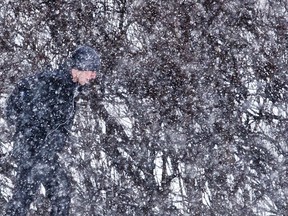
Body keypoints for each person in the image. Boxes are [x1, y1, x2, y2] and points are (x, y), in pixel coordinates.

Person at [5, 45, 100, 216]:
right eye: (91, 70)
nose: (94, 75)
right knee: (25, 198)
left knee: (60, 193)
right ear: (79, 67)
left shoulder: (69, 88)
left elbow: (57, 126)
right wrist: (33, 145)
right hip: (33, 152)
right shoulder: (54, 85)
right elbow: (27, 113)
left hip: (45, 154)